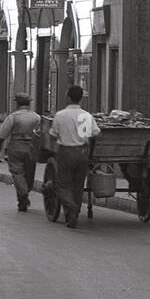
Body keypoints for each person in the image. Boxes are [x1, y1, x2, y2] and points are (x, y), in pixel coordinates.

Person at [48, 85, 99, 228]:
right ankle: (72, 216)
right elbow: (95, 133)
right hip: (82, 153)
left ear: (68, 97)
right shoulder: (86, 115)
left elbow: (53, 134)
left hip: (66, 152)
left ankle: (72, 207)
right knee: (78, 186)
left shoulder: (60, 115)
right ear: (80, 99)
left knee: (61, 185)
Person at [0, 93, 43, 212]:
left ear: (17, 103)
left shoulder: (13, 117)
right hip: (31, 146)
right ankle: (23, 196)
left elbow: (3, 134)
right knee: (29, 173)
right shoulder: (36, 117)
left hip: (16, 146)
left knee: (17, 172)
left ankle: (23, 194)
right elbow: (39, 133)